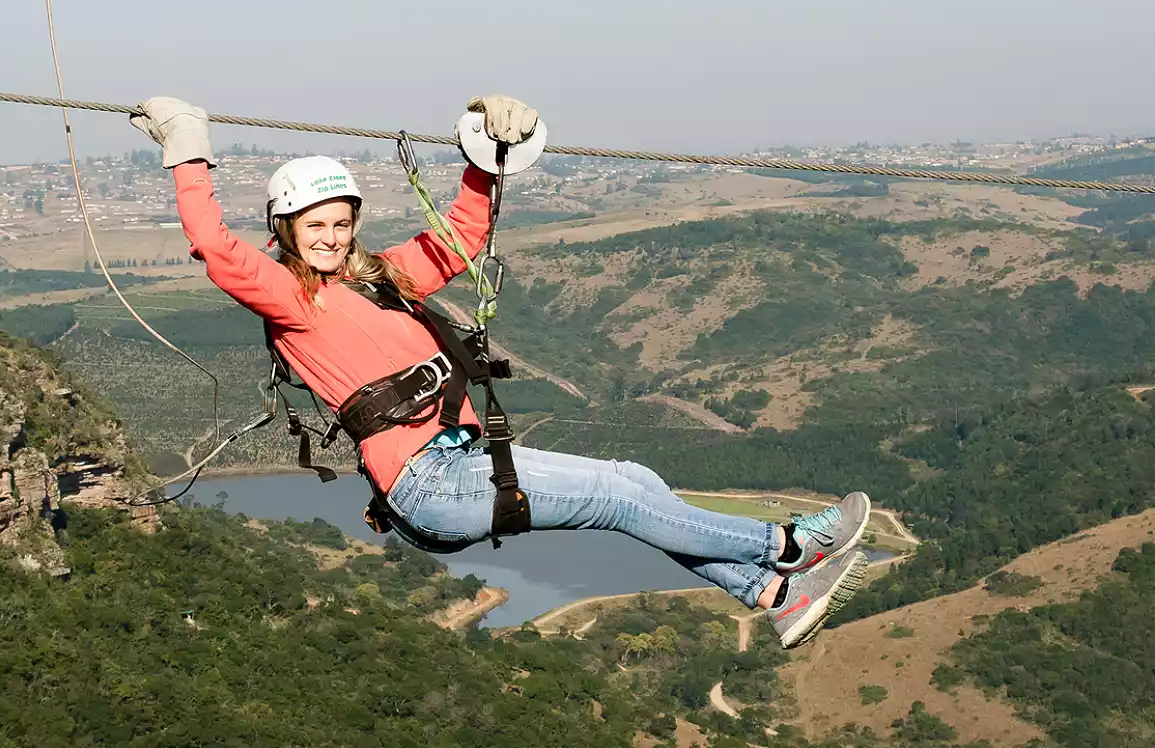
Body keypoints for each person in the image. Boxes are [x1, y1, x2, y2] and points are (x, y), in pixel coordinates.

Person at [131, 94, 871, 649]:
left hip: (464, 463)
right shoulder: (293, 298)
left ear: (354, 224)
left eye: (340, 222)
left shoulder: (383, 278)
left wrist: (486, 154)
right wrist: (188, 149)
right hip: (426, 482)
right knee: (618, 495)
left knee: (637, 482)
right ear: (285, 231)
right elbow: (216, 246)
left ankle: (776, 597)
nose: (329, 237)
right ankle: (785, 547)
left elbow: (459, 236)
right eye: (313, 226)